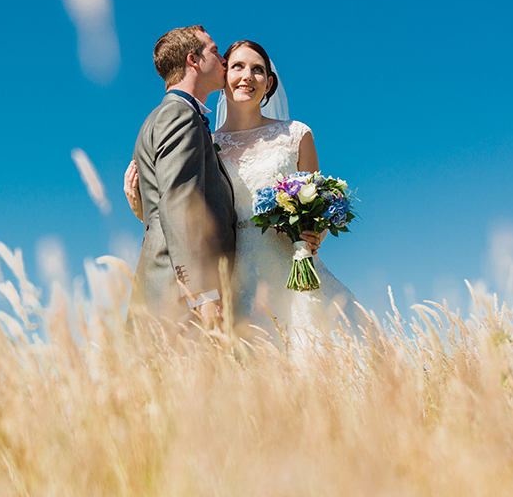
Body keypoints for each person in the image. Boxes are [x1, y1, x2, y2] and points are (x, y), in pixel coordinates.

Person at [126, 40, 360, 344]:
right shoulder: (203, 141)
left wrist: (315, 234)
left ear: (269, 82)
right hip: (228, 277)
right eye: (237, 66)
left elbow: (315, 208)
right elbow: (181, 211)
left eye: (258, 70)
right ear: (224, 77)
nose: (247, 76)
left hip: (286, 269)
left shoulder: (297, 135)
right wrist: (141, 209)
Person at [128, 25, 237, 330]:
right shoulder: (179, 115)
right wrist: (202, 293)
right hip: (179, 298)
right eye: (214, 51)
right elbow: (180, 202)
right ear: (193, 60)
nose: (223, 59)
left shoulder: (167, 116)